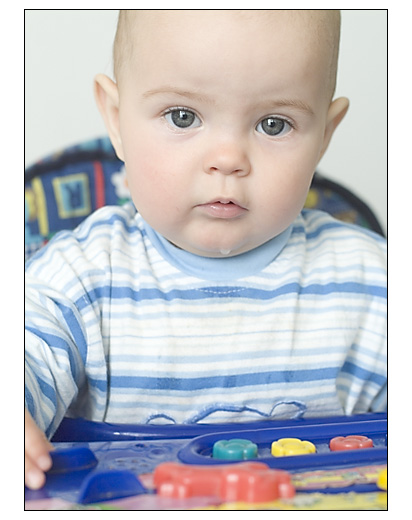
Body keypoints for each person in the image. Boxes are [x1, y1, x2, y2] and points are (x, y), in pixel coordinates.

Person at [25, 10, 387, 489]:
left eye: (273, 124)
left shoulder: (371, 284)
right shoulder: (79, 280)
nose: (227, 159)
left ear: (324, 135)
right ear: (116, 118)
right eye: (183, 116)